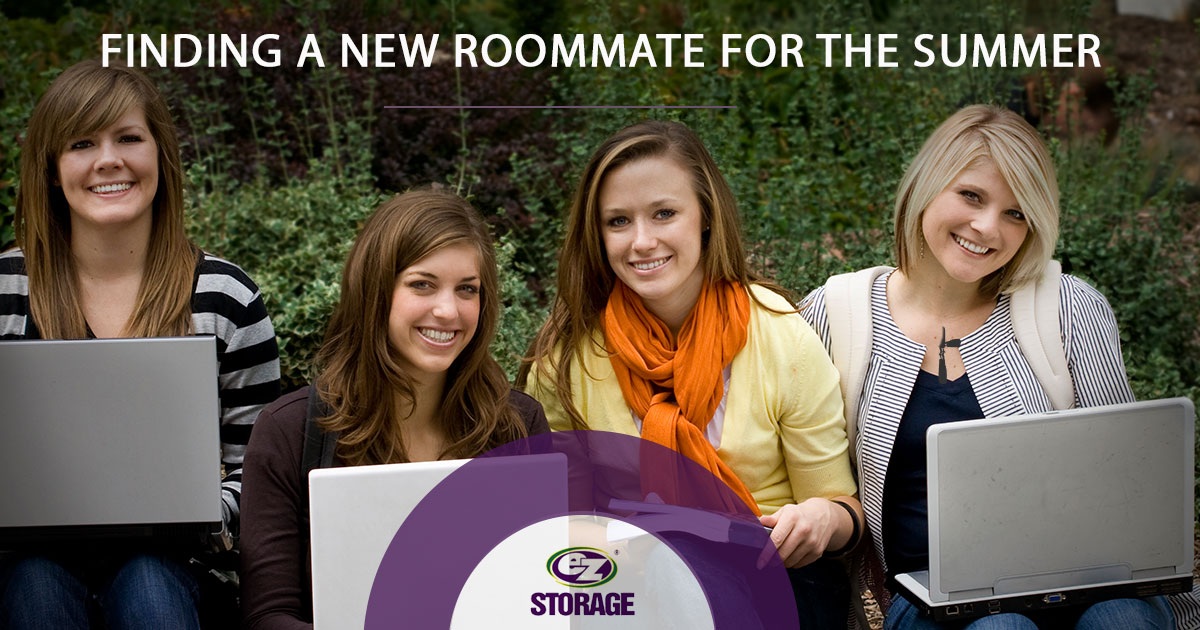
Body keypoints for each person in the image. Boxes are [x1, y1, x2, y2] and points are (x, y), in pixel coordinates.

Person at [800, 104, 1176, 630]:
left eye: (1016, 213)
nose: (986, 227)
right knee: (1003, 628)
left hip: (1080, 577)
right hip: (932, 594)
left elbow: (1128, 482)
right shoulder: (836, 314)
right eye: (971, 195)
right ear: (928, 185)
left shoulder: (1069, 307)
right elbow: (819, 485)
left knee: (1122, 619)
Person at [521, 119, 864, 627]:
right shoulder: (568, 355)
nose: (641, 241)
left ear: (705, 215)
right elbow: (559, 518)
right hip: (631, 589)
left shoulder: (778, 334)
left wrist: (818, 518)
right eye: (618, 221)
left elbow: (840, 507)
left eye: (664, 213)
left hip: (777, 580)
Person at [0, 60, 280, 628]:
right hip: (24, 564)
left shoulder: (225, 296)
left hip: (181, 565)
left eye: (129, 138)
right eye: (82, 143)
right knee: (34, 586)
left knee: (149, 588)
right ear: (53, 170)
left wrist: (202, 514)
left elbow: (254, 467)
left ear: (160, 156)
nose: (109, 160)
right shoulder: (5, 289)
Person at [239, 189, 550, 630]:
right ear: (376, 291)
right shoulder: (290, 432)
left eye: (468, 290)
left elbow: (541, 597)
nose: (448, 310)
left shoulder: (518, 426)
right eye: (422, 285)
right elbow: (269, 617)